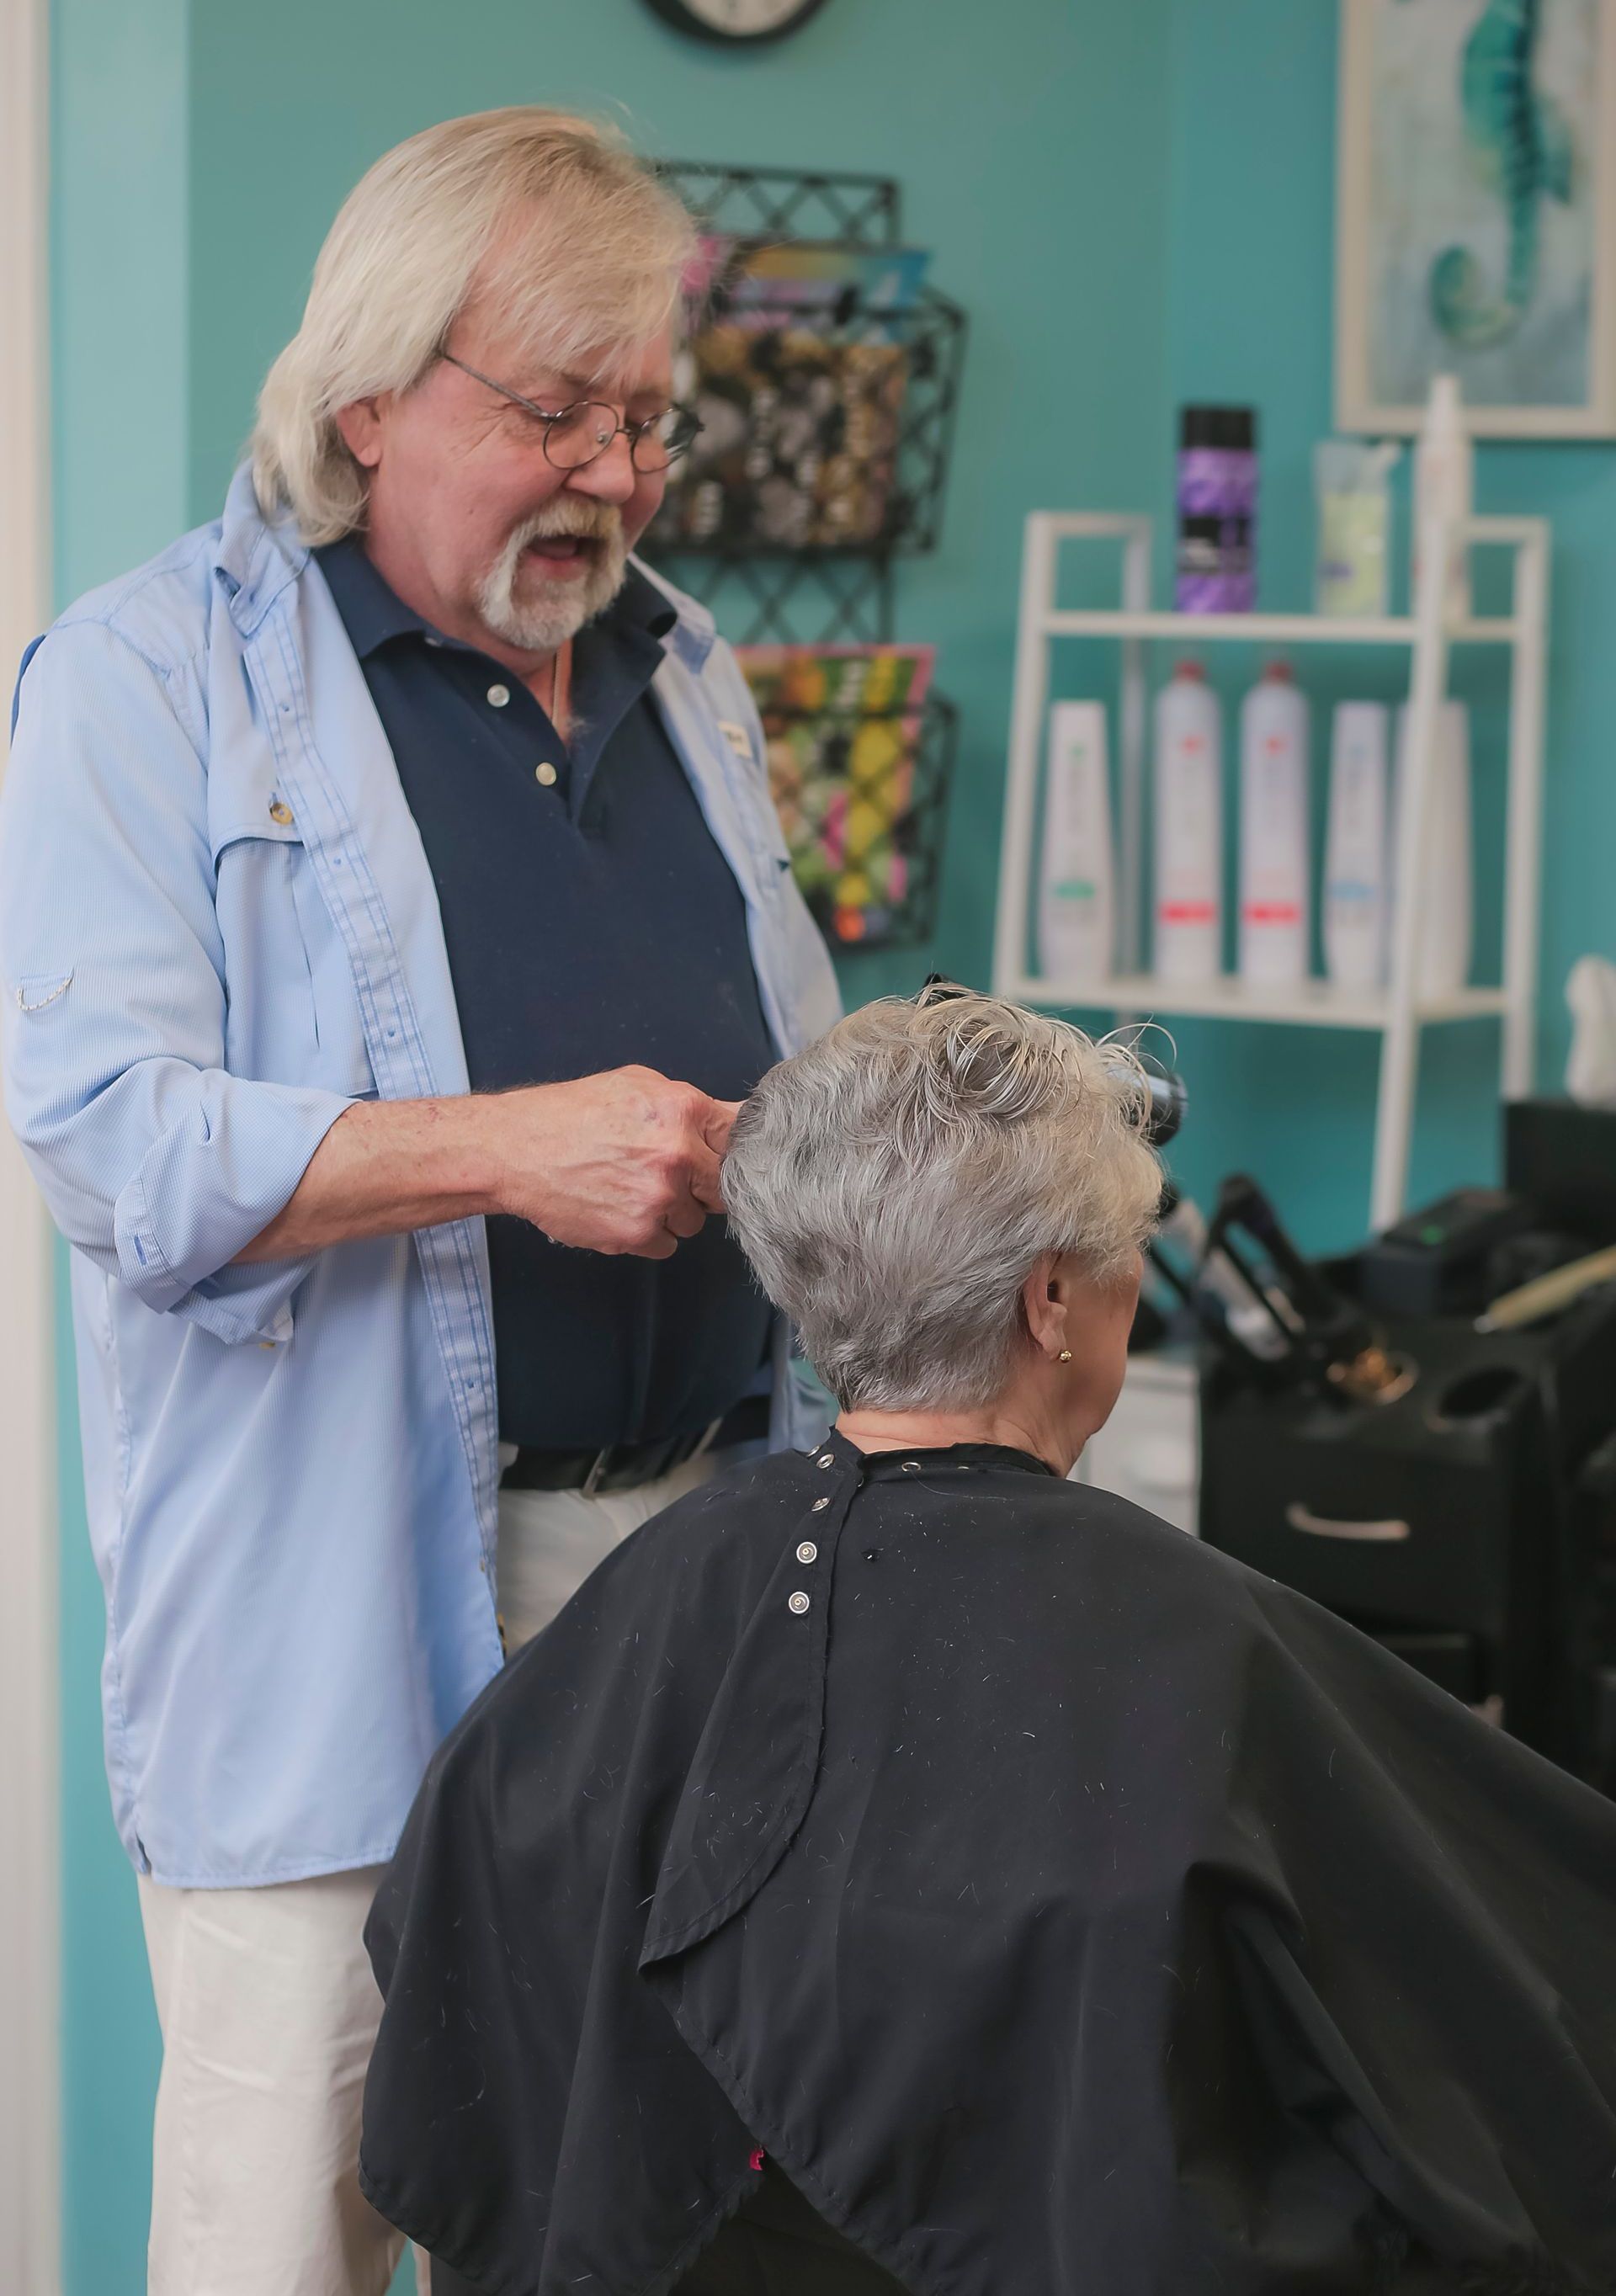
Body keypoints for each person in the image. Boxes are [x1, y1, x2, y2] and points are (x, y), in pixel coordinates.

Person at [0, 108, 837, 2296]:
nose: (620, 475)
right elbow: (108, 1137)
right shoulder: (144, 681)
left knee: (641, 2239)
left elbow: (796, 1069)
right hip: (337, 1625)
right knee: (295, 2238)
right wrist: (507, 1147)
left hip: (692, 1600)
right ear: (369, 401)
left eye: (646, 418)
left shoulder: (692, 676)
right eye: (556, 412)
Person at [362, 989, 1616, 2296]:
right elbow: (1517, 2032)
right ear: (1054, 1300)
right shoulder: (1199, 1645)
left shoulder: (654, 1598)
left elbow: (454, 1966)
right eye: (1124, 1254)